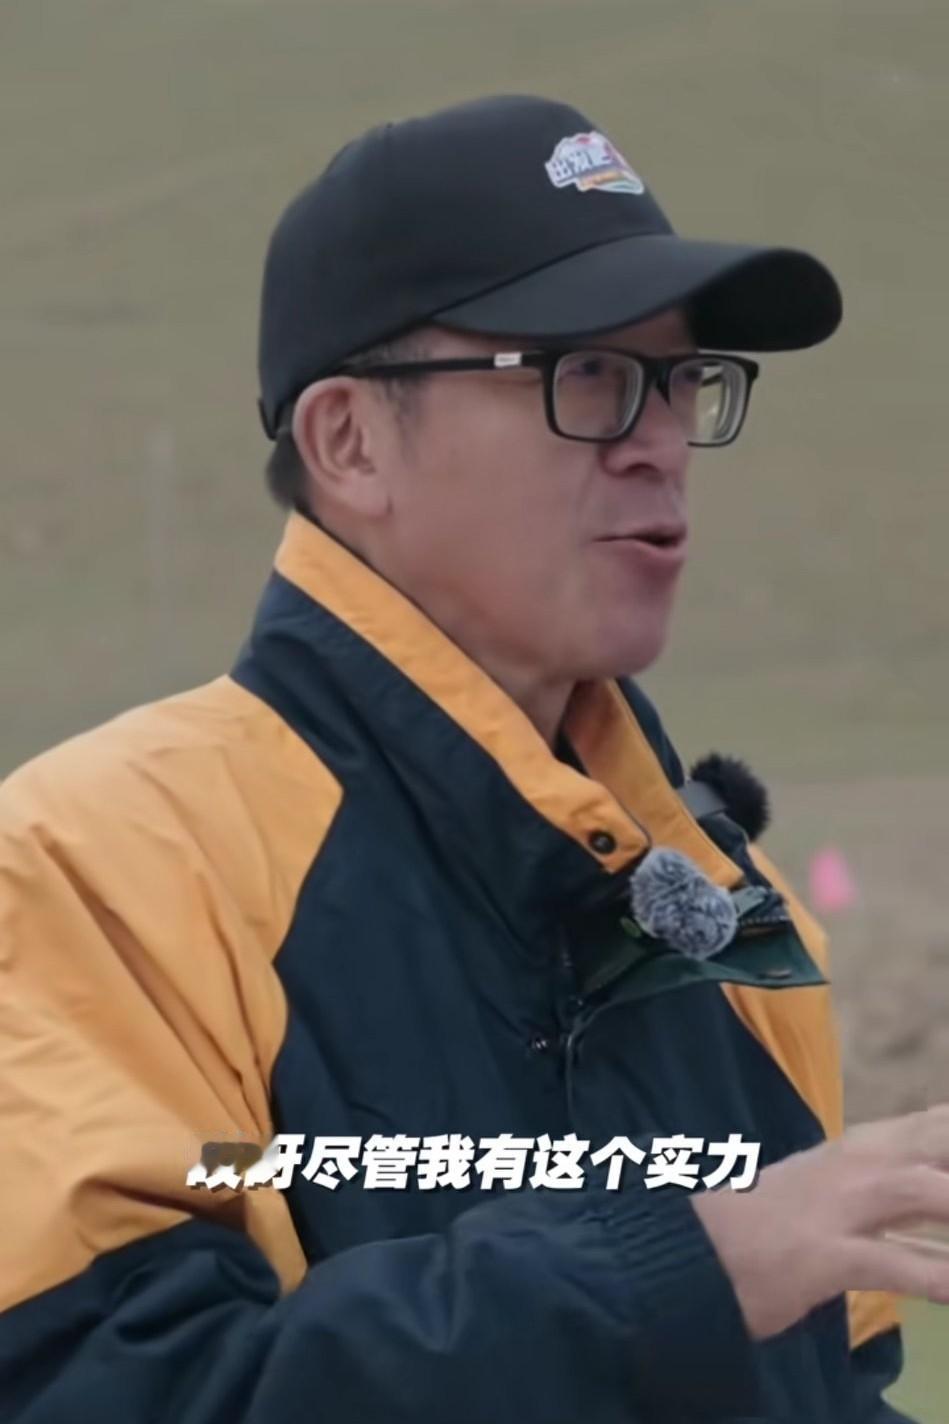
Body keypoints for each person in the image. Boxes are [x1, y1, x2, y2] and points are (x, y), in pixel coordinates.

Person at [0, 93, 945, 1424]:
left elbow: (827, 1393)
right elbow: (106, 1389)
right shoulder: (97, 868)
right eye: (590, 376)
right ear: (348, 442)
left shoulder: (730, 914)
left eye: (681, 381)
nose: (660, 441)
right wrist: (684, 1274)